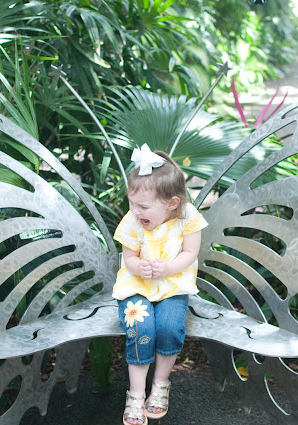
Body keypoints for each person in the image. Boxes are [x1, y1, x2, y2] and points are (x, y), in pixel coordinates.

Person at [112, 144, 208, 425]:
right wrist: (137, 265)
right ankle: (136, 394)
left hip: (173, 285)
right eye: (132, 203)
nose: (135, 211)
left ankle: (160, 384)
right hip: (136, 286)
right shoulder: (133, 220)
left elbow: (190, 254)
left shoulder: (188, 218)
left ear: (172, 203)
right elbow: (129, 256)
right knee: (140, 325)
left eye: (142, 206)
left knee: (168, 326)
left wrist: (167, 268)